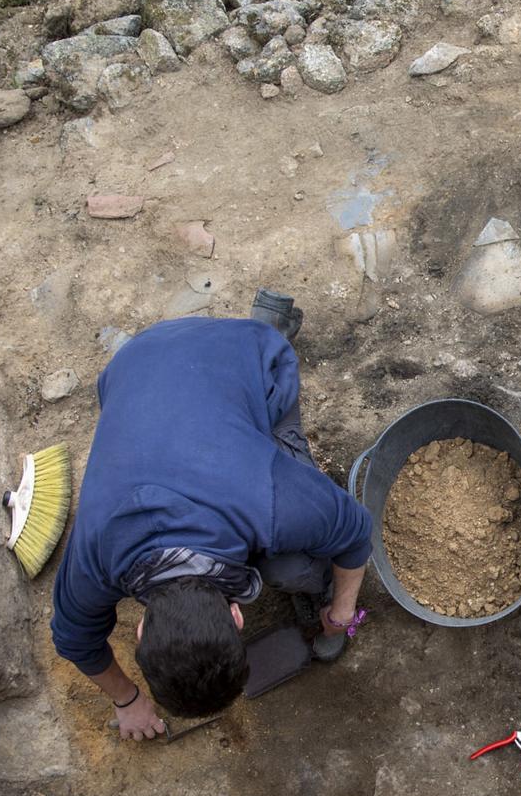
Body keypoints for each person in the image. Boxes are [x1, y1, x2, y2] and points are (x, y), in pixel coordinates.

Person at [50, 316, 371, 740]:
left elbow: (355, 531)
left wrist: (341, 610)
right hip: (134, 360)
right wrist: (128, 700)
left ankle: (267, 323)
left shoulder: (272, 499)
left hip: (245, 351)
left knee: (294, 569)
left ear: (238, 616)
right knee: (283, 560)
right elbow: (73, 641)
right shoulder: (96, 551)